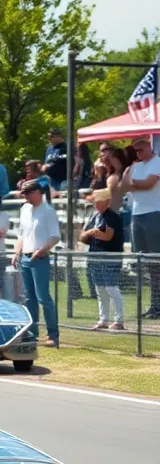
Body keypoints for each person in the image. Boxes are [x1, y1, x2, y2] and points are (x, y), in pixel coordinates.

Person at [13, 180, 61, 347]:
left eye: (27, 194)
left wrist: (42, 250)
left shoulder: (48, 211)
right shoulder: (25, 210)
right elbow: (21, 234)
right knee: (29, 299)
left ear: (37, 192)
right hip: (25, 258)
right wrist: (17, 252)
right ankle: (31, 333)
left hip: (39, 259)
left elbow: (55, 236)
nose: (25, 197)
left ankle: (53, 335)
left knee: (43, 297)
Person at [121, 136, 160, 318]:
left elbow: (149, 183)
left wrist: (134, 184)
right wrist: (134, 183)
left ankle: (157, 304)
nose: (138, 153)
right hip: (137, 214)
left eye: (141, 149)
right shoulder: (136, 167)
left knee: (156, 262)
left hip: (153, 213)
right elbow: (123, 186)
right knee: (145, 262)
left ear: (148, 147)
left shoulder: (157, 162)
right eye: (136, 151)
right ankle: (154, 305)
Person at [80, 188, 125, 331]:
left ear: (107, 202)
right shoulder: (94, 217)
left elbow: (107, 236)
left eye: (98, 201)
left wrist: (94, 233)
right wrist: (92, 232)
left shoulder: (112, 217)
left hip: (110, 257)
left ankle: (119, 320)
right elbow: (82, 236)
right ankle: (103, 320)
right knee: (100, 289)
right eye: (94, 201)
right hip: (95, 256)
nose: (95, 204)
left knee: (111, 288)